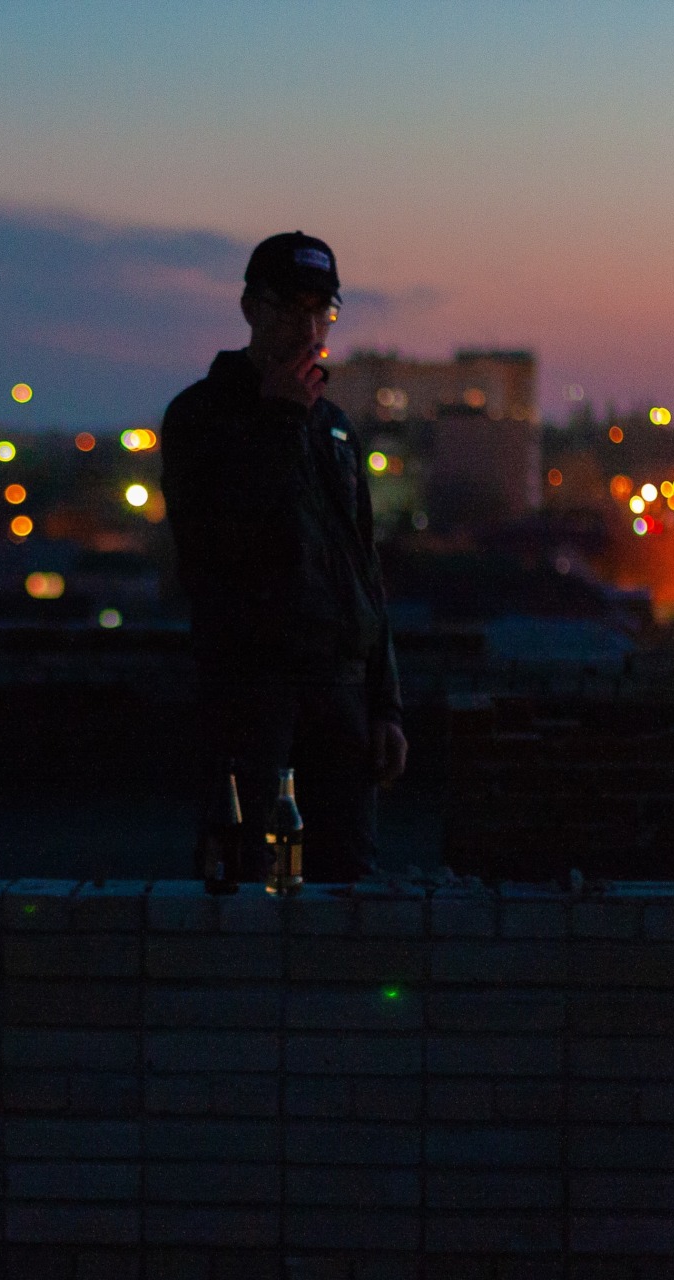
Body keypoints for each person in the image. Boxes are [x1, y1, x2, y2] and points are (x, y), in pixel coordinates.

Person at [160, 231, 406, 882]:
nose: (307, 327)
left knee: (349, 880)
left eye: (320, 311)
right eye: (289, 307)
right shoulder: (202, 416)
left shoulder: (333, 429)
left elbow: (362, 567)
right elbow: (212, 550)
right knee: (248, 878)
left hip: (342, 694)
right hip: (252, 692)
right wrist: (277, 423)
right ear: (250, 309)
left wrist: (384, 704)